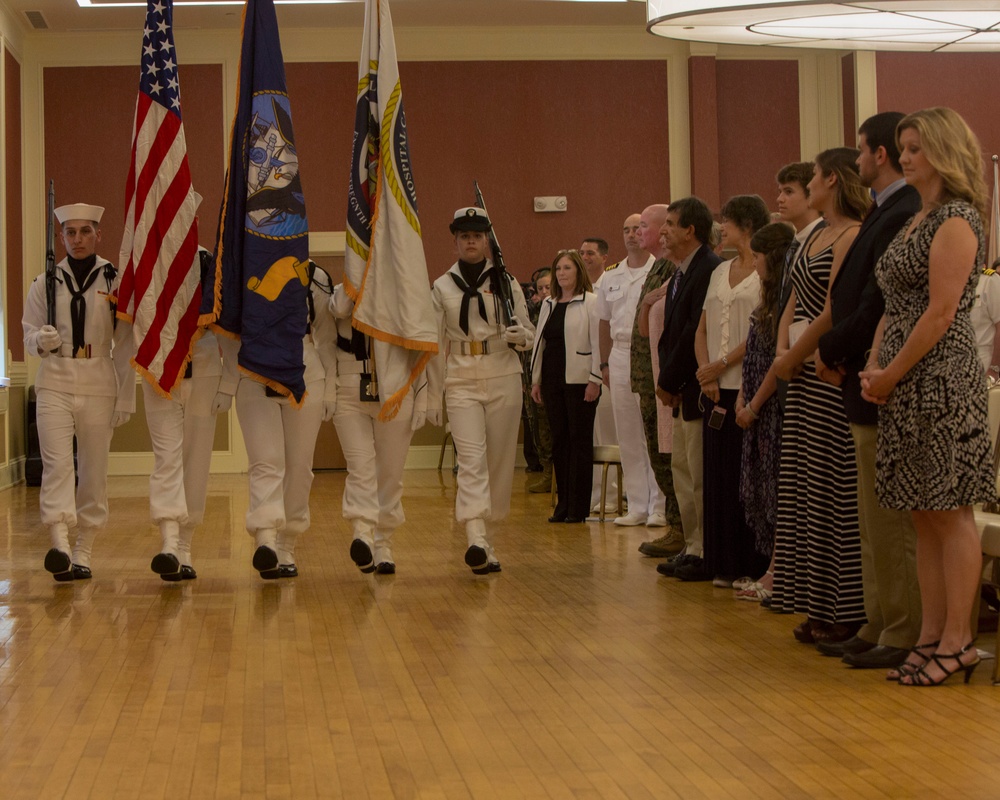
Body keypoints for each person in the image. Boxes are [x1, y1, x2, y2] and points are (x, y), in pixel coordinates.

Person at [861, 107, 994, 686]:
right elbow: (893, 303)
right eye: (903, 147)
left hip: (943, 380)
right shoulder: (920, 217)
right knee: (922, 515)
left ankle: (959, 641)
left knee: (949, 512)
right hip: (904, 377)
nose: (906, 156)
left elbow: (940, 314)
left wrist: (890, 374)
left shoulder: (958, 219)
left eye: (915, 148)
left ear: (942, 151)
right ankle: (931, 634)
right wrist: (874, 363)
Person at [813, 112, 924, 669]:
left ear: (877, 155)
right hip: (861, 370)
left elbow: (875, 302)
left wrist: (832, 348)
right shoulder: (886, 210)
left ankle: (902, 629)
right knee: (869, 519)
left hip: (877, 373)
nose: (857, 162)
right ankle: (879, 619)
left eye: (861, 151)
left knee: (887, 519)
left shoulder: (906, 212)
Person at [770, 148, 869, 644]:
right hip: (801, 369)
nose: (806, 184)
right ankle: (815, 602)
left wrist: (794, 356)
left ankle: (845, 608)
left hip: (823, 368)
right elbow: (793, 300)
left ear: (832, 179)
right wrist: (781, 348)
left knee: (835, 490)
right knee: (806, 491)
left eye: (810, 178)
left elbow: (834, 307)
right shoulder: (816, 237)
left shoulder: (851, 234)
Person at [23, 202, 135, 582]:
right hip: (55, 377)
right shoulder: (45, 282)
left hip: (99, 377)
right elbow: (27, 332)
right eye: (70, 232)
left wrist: (126, 396)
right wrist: (41, 339)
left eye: (85, 231)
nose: (77, 239)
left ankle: (84, 546)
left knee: (93, 469)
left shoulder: (114, 280)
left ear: (98, 235)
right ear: (62, 238)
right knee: (57, 466)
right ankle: (58, 542)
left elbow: (126, 342)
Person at [426, 207, 534, 574]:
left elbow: (529, 331)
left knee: (500, 460)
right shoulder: (441, 287)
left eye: (477, 235)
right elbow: (435, 342)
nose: (470, 241)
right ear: (455, 241)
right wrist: (433, 392)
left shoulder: (507, 282)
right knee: (470, 459)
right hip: (460, 378)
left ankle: (488, 537)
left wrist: (523, 337)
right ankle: (474, 535)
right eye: (464, 236)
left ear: (487, 241)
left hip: (503, 372)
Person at [235, 262, 337, 579]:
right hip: (254, 368)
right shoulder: (244, 269)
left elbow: (326, 334)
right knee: (265, 461)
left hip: (306, 370)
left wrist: (331, 386)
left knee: (299, 465)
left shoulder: (316, 276)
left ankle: (287, 543)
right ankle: (265, 538)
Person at [143, 248, 239, 581]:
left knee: (196, 459)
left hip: (204, 368)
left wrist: (229, 381)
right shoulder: (149, 255)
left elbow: (229, 320)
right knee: (166, 457)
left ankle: (185, 544)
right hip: (159, 367)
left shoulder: (209, 262)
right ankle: (169, 541)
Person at [693, 194, 770, 586]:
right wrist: (706, 373)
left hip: (747, 383)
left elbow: (761, 329)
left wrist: (722, 365)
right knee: (718, 476)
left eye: (728, 222)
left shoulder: (764, 271)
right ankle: (720, 561)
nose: (721, 228)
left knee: (745, 478)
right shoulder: (719, 271)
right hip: (714, 389)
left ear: (748, 226)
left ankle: (749, 561)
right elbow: (703, 327)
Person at [330, 284, 427, 575]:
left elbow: (423, 344)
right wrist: (358, 278)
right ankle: (362, 532)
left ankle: (383, 542)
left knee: (390, 471)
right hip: (349, 385)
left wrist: (424, 397)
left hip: (395, 386)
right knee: (360, 467)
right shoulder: (343, 289)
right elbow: (338, 309)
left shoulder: (405, 287)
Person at [654, 196, 723, 578]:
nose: (663, 231)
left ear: (689, 230)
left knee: (697, 473)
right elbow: (671, 332)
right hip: (682, 386)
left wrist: (670, 379)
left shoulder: (708, 269)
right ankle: (692, 543)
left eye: (669, 223)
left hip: (696, 385)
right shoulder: (682, 270)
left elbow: (691, 331)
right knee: (682, 468)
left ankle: (704, 548)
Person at [733, 222, 795, 601]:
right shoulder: (766, 300)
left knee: (776, 494)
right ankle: (768, 569)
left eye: (757, 256)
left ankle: (777, 574)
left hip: (771, 408)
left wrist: (755, 404)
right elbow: (752, 357)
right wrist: (743, 396)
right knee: (757, 490)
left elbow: (777, 361)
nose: (753, 263)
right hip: (753, 398)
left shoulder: (785, 302)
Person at [530, 250, 601, 523]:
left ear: (578, 271)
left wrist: (595, 379)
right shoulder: (549, 303)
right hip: (552, 381)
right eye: (558, 268)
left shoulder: (591, 303)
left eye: (567, 268)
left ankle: (579, 508)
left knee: (579, 443)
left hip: (581, 382)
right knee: (559, 442)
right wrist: (536, 380)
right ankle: (563, 504)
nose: (561, 273)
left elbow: (597, 343)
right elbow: (540, 344)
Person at [597, 213, 657, 527]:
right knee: (628, 433)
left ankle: (659, 505)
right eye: (626, 229)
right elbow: (604, 323)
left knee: (653, 430)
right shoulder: (611, 276)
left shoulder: (659, 270)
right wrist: (604, 364)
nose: (632, 234)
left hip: (649, 352)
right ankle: (637, 505)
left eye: (638, 228)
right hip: (619, 353)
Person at [526, 269, 554, 493]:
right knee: (538, 427)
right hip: (531, 379)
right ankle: (546, 472)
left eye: (548, 287)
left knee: (554, 428)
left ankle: (557, 476)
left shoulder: (558, 308)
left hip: (553, 378)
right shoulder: (532, 311)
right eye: (540, 288)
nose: (544, 292)